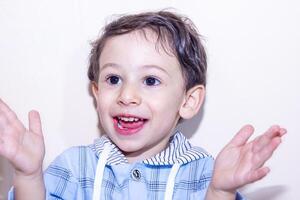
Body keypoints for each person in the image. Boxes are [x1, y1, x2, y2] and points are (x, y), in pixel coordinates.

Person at [0, 11, 286, 200]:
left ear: (188, 101)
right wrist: (28, 175)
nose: (127, 95)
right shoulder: (75, 168)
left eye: (150, 80)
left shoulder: (206, 174)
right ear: (96, 93)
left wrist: (221, 191)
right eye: (113, 79)